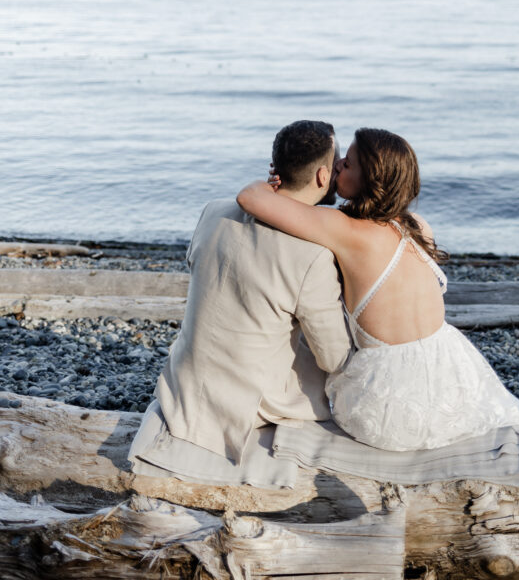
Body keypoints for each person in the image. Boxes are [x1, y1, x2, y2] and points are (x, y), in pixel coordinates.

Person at [237, 127, 519, 453]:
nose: (338, 166)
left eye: (347, 163)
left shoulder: (346, 231)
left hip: (388, 408)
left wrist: (275, 180)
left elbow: (249, 197)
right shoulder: (418, 227)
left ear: (370, 179)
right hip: (451, 376)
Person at [129, 120, 352, 480]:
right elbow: (334, 356)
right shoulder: (313, 255)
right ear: (324, 175)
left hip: (186, 380)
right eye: (338, 162)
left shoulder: (214, 212)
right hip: (248, 402)